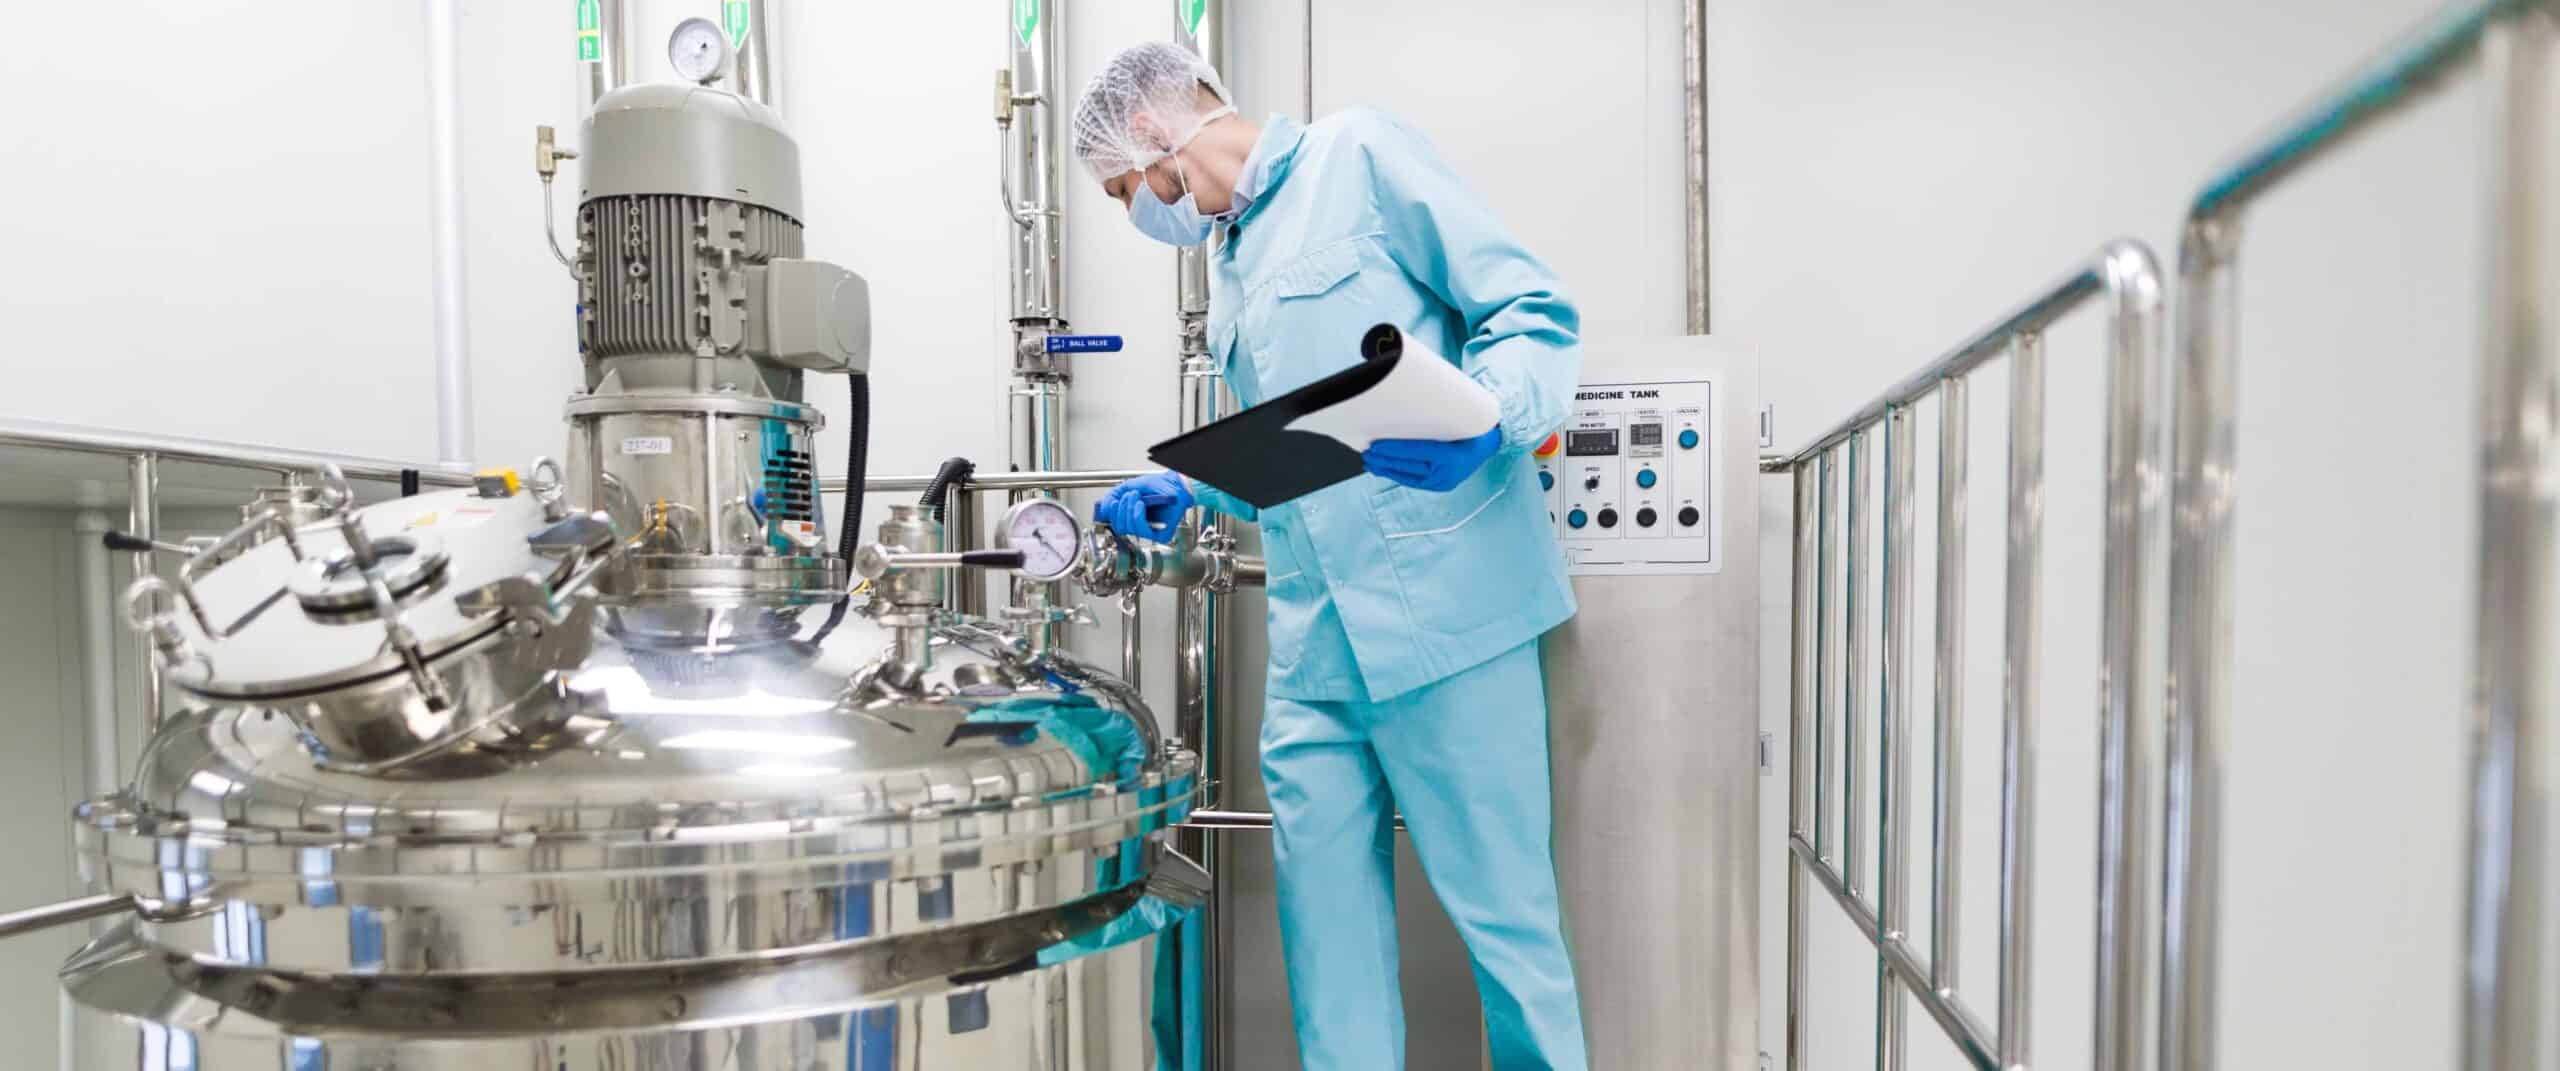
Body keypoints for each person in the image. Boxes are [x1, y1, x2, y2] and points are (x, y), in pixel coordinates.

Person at [1072, 42, 1589, 1071]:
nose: (1138, 211)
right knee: (1327, 949)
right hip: (1314, 653)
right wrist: (1193, 488)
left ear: (1149, 135)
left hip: (1449, 620)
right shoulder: (1225, 263)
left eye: (1124, 189)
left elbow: (1530, 310)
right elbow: (1298, 448)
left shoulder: (1360, 156)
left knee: (1507, 929)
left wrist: (1492, 424)